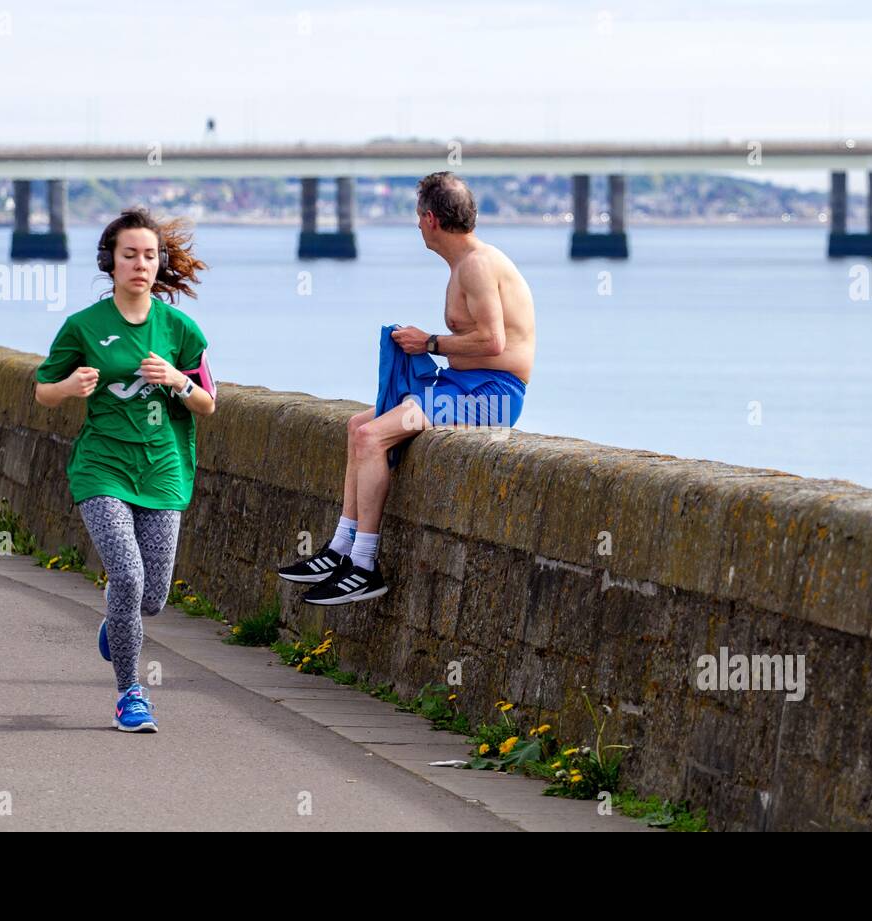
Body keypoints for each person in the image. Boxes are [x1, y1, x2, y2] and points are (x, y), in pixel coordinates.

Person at [277, 171, 536, 605]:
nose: (417, 225)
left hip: (491, 397)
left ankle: (364, 565)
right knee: (359, 425)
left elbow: (494, 342)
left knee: (371, 435)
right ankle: (341, 548)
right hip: (461, 386)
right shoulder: (465, 264)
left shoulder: (476, 265)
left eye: (418, 217)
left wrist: (429, 343)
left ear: (432, 219)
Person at [34, 207, 215, 732]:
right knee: (128, 576)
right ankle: (131, 695)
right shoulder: (84, 327)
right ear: (110, 262)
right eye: (129, 255)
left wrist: (177, 382)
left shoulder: (180, 329)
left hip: (163, 469)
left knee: (151, 599)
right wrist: (70, 388)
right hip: (102, 468)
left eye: (150, 256)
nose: (140, 264)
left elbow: (208, 403)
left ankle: (119, 621)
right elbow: (43, 389)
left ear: (160, 264)